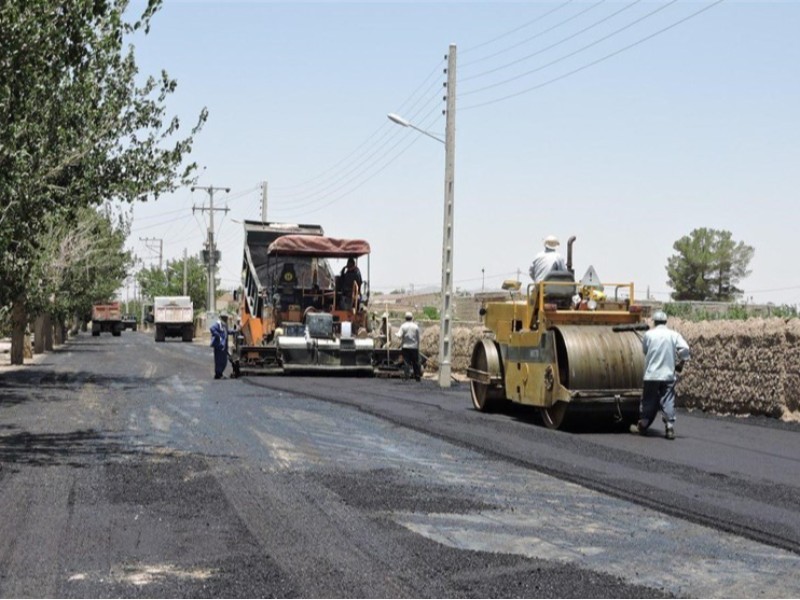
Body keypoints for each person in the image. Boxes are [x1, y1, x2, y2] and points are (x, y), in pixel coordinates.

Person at [631, 310, 691, 440]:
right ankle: (669, 427)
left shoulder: (649, 335)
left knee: (648, 399)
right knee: (668, 400)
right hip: (668, 375)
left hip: (651, 375)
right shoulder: (673, 335)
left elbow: (645, 350)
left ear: (654, 322)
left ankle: (643, 424)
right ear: (665, 322)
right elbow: (685, 349)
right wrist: (681, 363)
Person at [396, 311, 421, 382]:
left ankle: (407, 376)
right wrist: (417, 346)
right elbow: (418, 338)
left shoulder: (403, 326)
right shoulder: (416, 326)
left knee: (406, 362)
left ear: (405, 318)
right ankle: (417, 377)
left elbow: (399, 336)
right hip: (414, 347)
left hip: (405, 347)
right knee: (415, 362)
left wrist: (396, 334)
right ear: (412, 318)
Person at [210, 314, 229, 380]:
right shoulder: (218, 324)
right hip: (219, 346)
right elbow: (212, 328)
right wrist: (218, 335)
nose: (226, 319)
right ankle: (218, 374)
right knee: (219, 361)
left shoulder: (224, 325)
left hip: (223, 346)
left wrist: (236, 331)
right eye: (225, 318)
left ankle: (220, 373)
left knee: (224, 361)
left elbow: (227, 332)